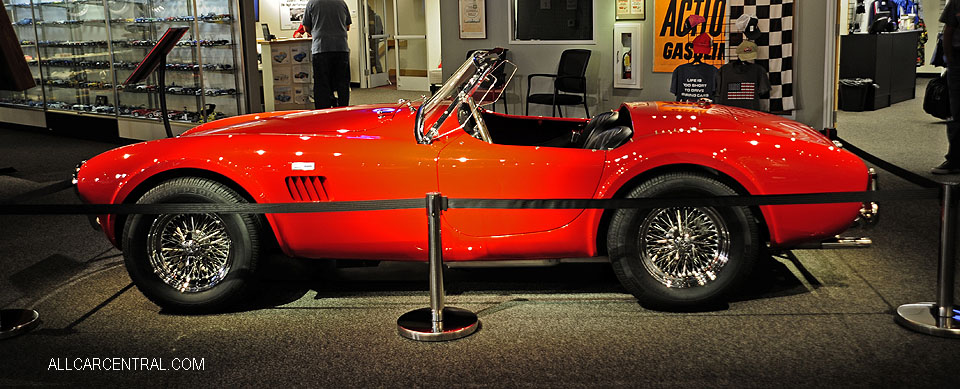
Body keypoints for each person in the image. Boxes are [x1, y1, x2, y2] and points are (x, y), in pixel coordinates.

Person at [301, 0, 351, 109]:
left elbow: (306, 28)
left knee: (321, 84)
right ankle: (343, 109)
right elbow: (347, 26)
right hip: (341, 48)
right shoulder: (341, 3)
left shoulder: (312, 3)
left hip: (321, 48)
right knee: (342, 83)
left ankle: (324, 113)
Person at [935, 0, 960, 174]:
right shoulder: (956, 3)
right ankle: (954, 160)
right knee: (958, 112)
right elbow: (948, 31)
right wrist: (951, 60)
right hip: (959, 61)